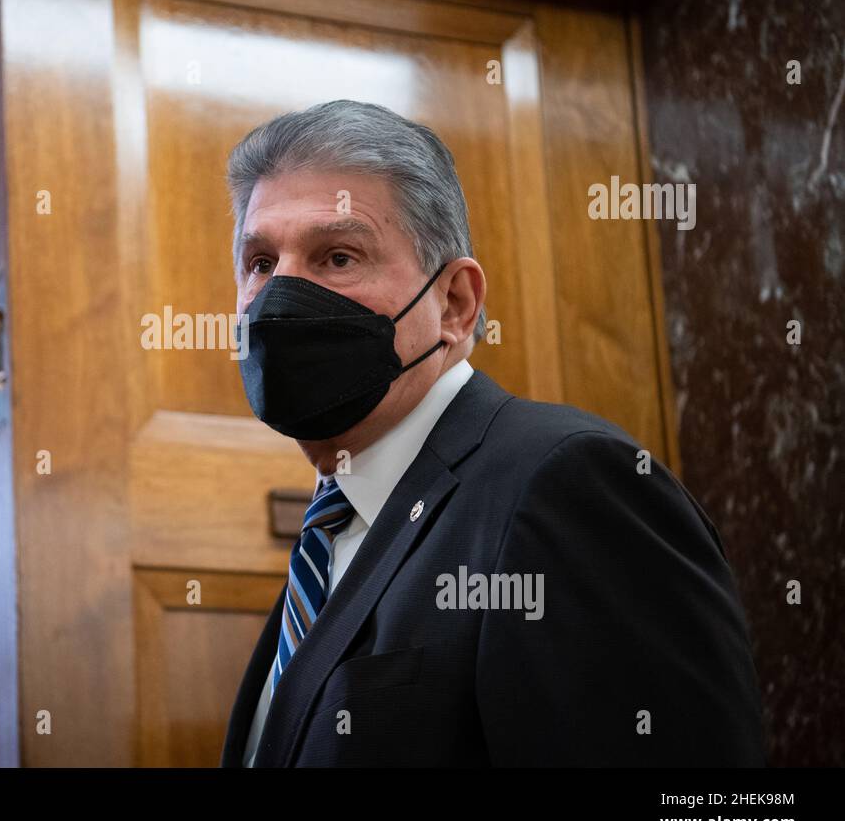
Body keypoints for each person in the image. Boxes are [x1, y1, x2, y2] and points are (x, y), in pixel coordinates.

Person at [219, 99, 764, 766]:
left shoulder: (567, 485)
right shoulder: (331, 538)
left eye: (338, 256)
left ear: (455, 304)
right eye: (262, 263)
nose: (280, 298)